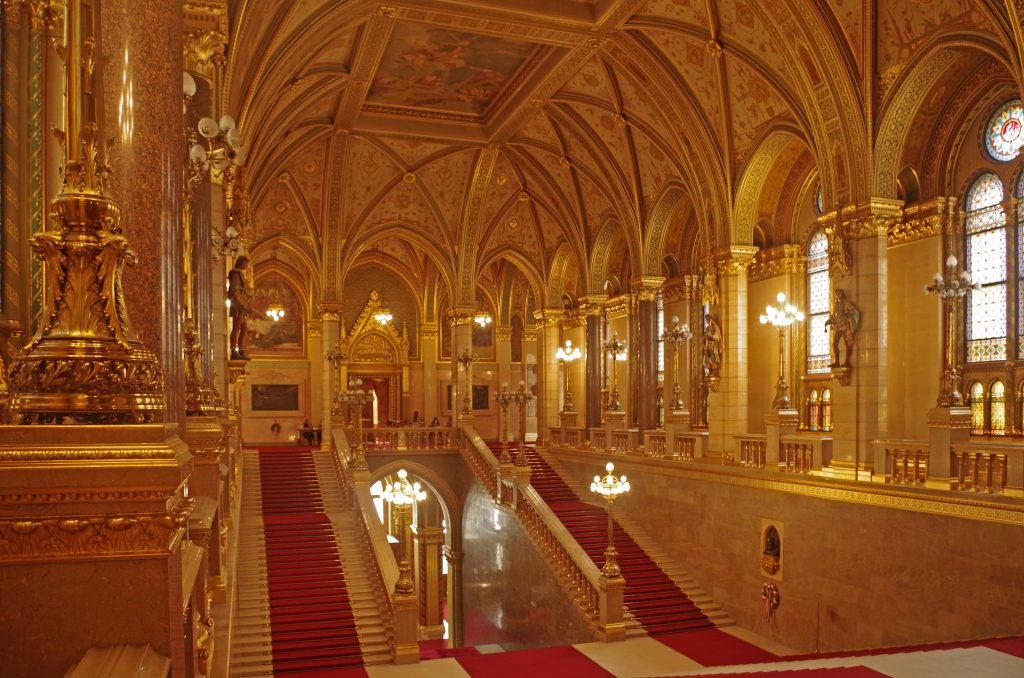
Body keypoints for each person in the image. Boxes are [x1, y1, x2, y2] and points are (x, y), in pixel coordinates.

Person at [825, 288, 860, 368]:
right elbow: (836, 317)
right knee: (834, 343)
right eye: (836, 294)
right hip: (838, 326)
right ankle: (837, 362)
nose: (837, 295)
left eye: (838, 293)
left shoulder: (846, 303)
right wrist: (829, 321)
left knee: (847, 344)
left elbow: (853, 312)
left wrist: (848, 317)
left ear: (841, 293)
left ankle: (847, 362)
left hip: (845, 325)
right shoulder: (837, 305)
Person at [228, 255, 254, 360]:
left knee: (244, 329)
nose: (246, 266)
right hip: (238, 306)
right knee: (237, 328)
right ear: (241, 262)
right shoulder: (235, 274)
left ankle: (242, 350)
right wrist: (241, 302)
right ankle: (234, 351)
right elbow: (235, 290)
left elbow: (245, 289)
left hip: (242, 306)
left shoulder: (240, 274)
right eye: (245, 263)